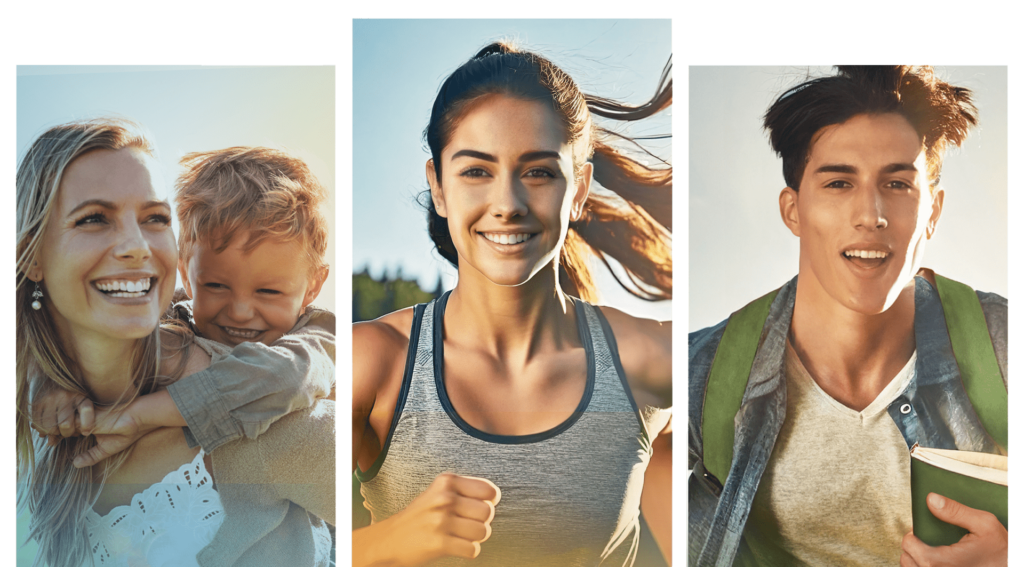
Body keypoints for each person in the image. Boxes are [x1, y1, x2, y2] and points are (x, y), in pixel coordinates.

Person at [352, 40, 673, 566]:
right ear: (438, 186)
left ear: (579, 189)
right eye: (476, 172)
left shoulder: (652, 360)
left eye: (538, 172)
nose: (507, 204)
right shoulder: (371, 362)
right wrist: (387, 542)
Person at [688, 65, 1009, 566]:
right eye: (839, 183)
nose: (870, 215)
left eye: (897, 184)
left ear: (933, 212)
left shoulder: (1000, 345)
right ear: (793, 210)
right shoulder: (702, 373)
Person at [15, 117, 337, 567]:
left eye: (154, 218)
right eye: (93, 218)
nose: (135, 246)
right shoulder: (40, 416)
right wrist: (44, 379)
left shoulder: (264, 415)